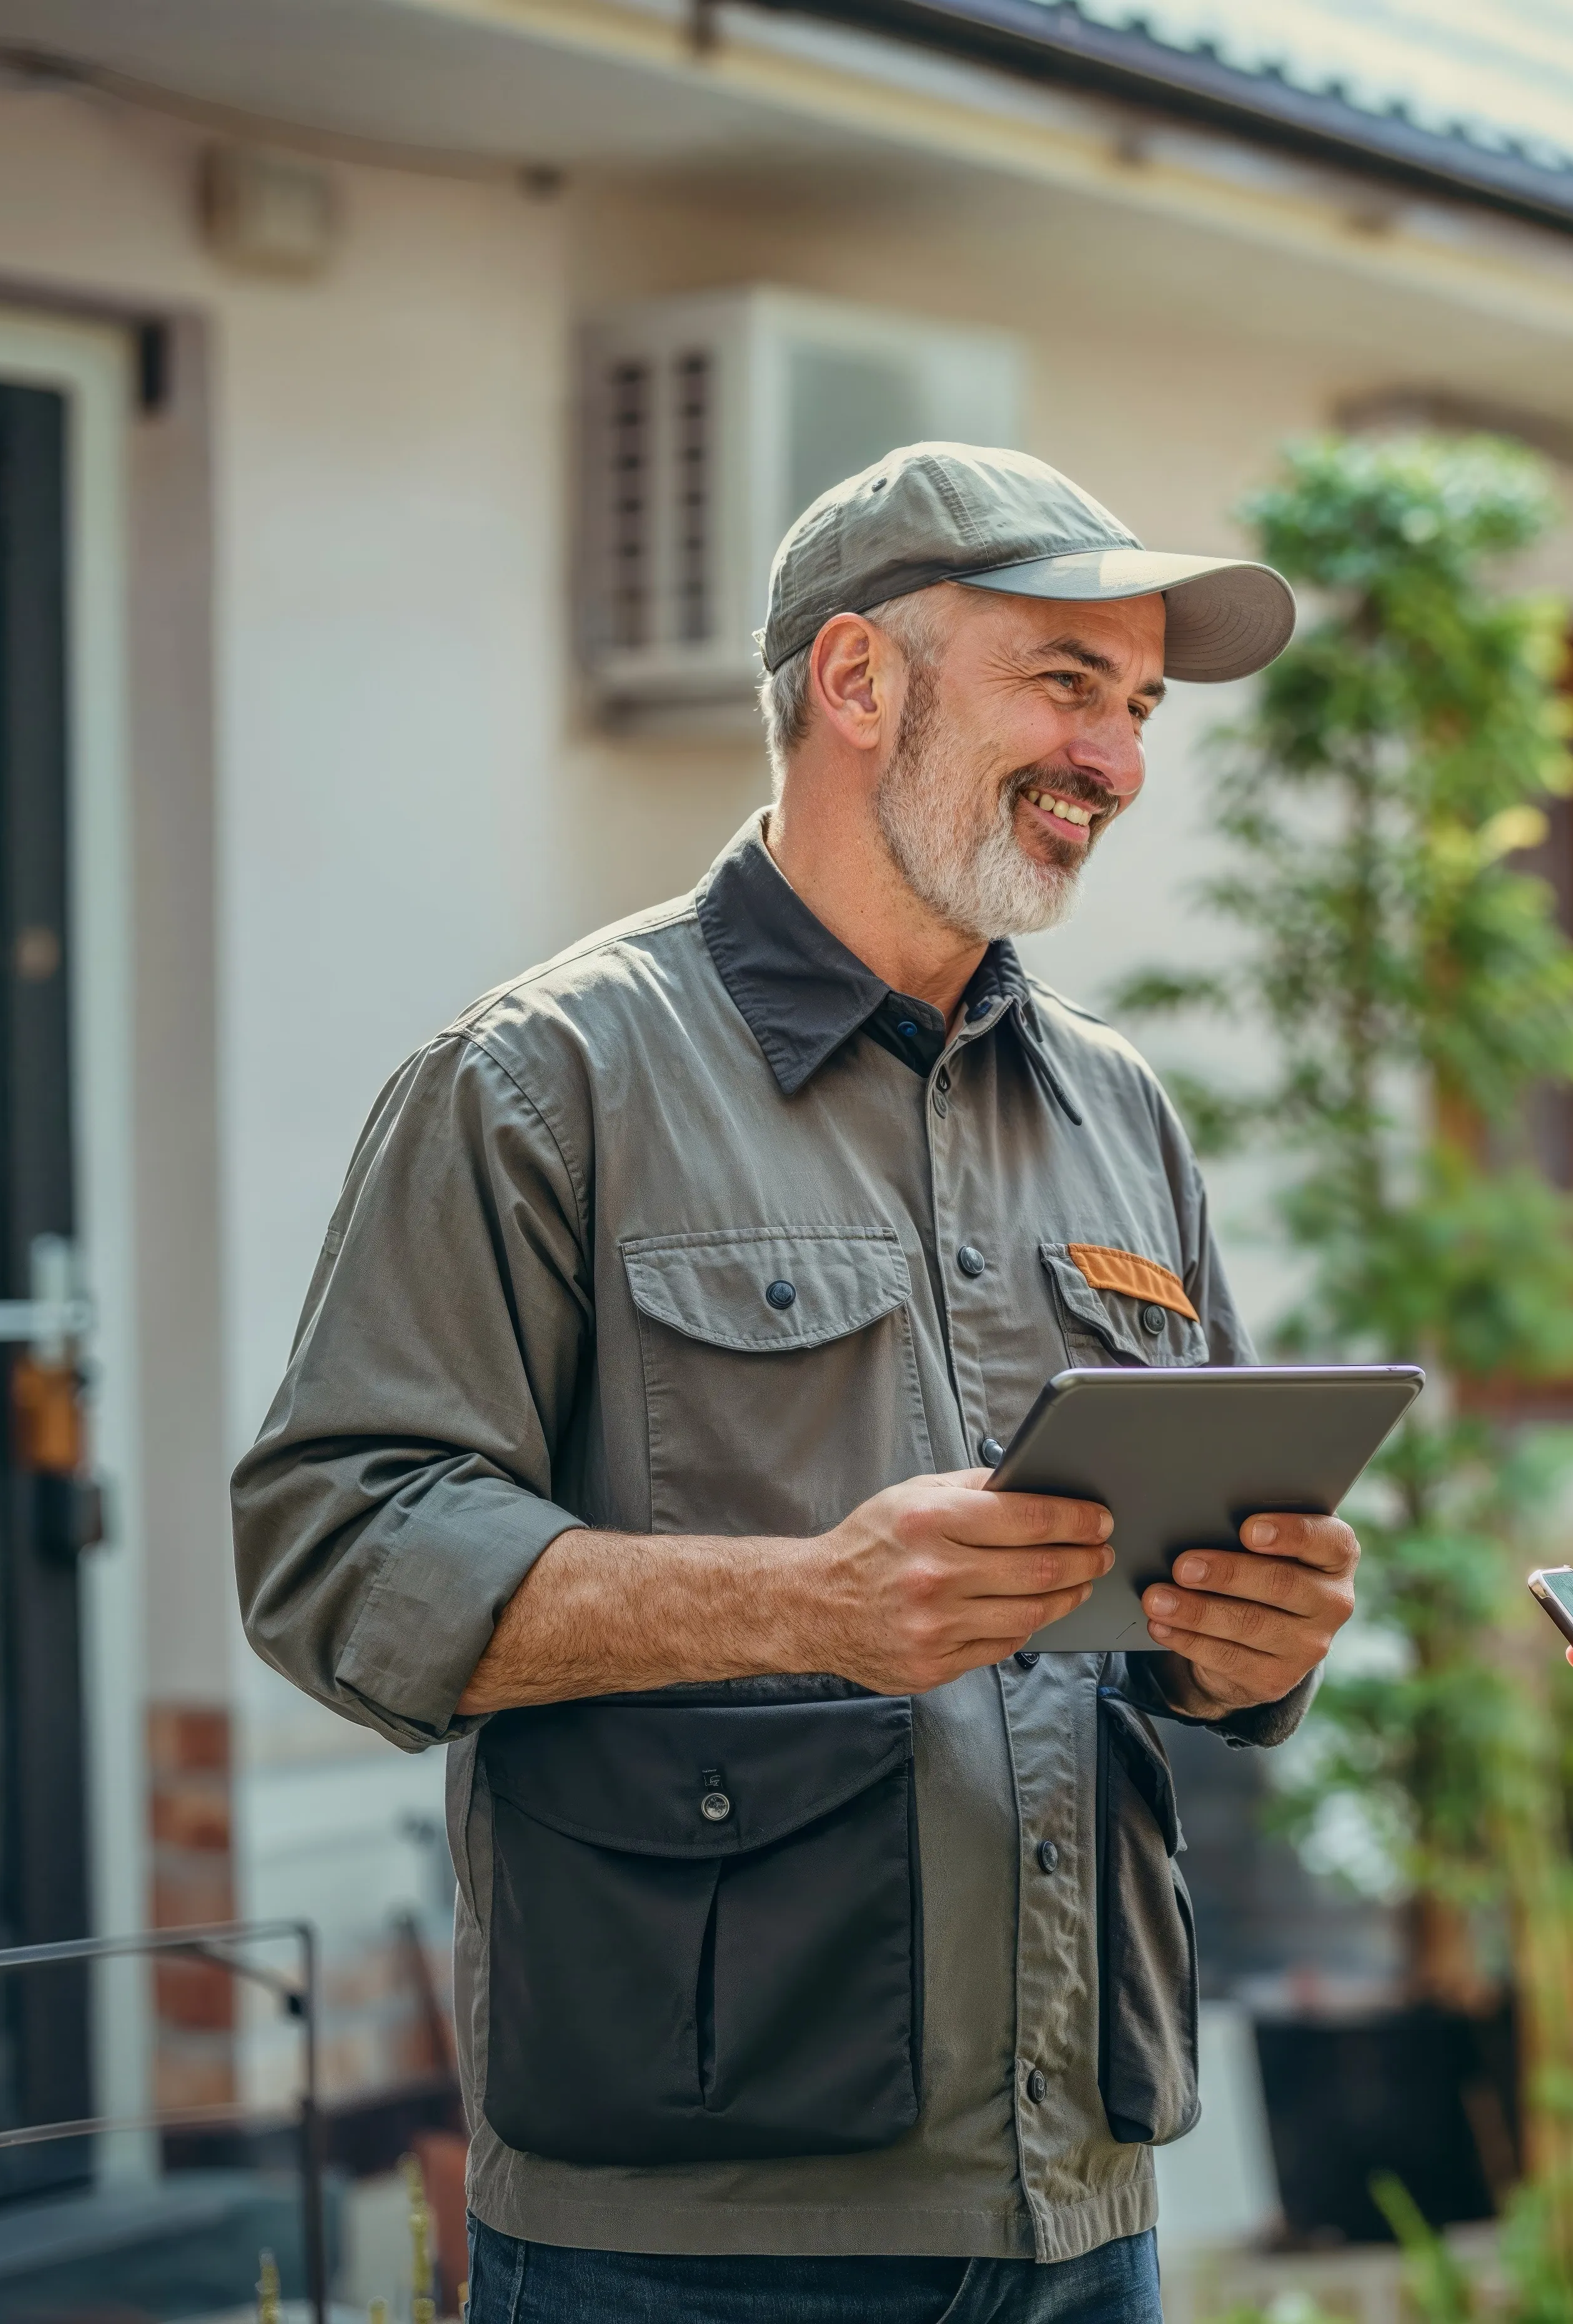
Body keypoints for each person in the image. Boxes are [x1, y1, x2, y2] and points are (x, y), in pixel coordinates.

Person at [235, 445, 1356, 2324]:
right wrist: (811, 1603)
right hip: (698, 2238)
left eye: (1142, 708)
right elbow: (336, 1556)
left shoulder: (1120, 1111)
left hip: (1087, 2207)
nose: (1120, 761)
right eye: (1067, 686)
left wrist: (1259, 1640)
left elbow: (1189, 1603)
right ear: (858, 684)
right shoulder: (543, 1082)